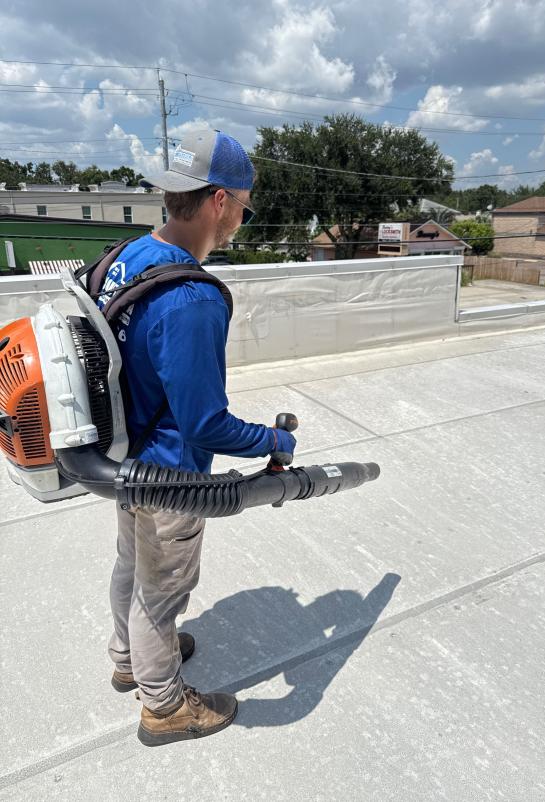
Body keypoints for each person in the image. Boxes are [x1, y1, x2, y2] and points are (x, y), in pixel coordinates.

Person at [98, 130, 296, 747]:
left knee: (131, 566)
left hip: (122, 458)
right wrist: (272, 440)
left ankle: (128, 659)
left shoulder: (129, 255)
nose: (240, 220)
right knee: (162, 594)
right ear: (219, 200)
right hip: (170, 475)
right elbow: (205, 424)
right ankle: (163, 706)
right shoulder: (191, 299)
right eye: (244, 208)